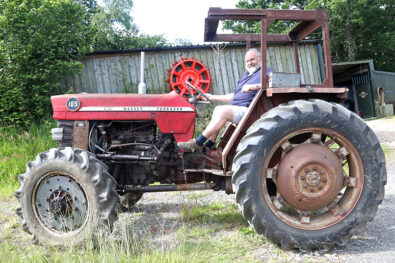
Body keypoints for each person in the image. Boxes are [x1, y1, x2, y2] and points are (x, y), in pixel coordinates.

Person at [177, 48, 272, 151]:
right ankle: (210, 144)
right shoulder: (245, 75)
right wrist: (212, 97)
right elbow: (234, 96)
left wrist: (254, 86)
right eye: (247, 61)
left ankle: (197, 142)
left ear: (260, 59)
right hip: (238, 108)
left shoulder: (265, 71)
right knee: (218, 108)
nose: (250, 63)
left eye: (252, 59)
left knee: (223, 111)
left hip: (251, 111)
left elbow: (275, 83)